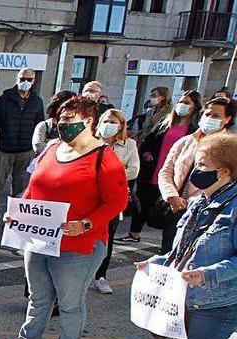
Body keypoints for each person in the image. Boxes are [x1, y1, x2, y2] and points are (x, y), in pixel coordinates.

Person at [0, 96, 128, 339]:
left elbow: (117, 202)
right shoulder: (52, 148)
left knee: (70, 303)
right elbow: (34, 188)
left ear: (88, 121)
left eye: (69, 120)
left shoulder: (105, 158)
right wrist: (19, 212)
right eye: (61, 119)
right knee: (38, 297)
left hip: (79, 244)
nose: (62, 125)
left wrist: (85, 224)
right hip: (41, 238)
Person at [136, 134, 237, 339]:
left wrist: (208, 275)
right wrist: (157, 263)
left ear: (226, 172)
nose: (196, 169)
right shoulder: (200, 202)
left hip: (217, 303)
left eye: (204, 164)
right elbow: (182, 250)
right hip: (183, 298)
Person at [156, 96, 236, 254]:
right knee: (169, 253)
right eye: (207, 114)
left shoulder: (231, 148)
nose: (209, 118)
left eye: (216, 116)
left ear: (227, 119)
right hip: (176, 208)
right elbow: (166, 171)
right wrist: (171, 196)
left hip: (207, 213)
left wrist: (194, 201)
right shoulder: (185, 142)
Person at [126, 90, 201, 245]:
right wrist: (146, 152)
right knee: (142, 203)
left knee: (167, 212)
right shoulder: (166, 123)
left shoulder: (195, 131)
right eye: (181, 102)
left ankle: (168, 245)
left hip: (175, 178)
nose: (182, 106)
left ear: (195, 107)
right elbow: (149, 141)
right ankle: (134, 233)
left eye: (187, 103)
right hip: (153, 171)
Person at [0, 68, 45, 231]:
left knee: (20, 188)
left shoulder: (36, 101)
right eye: (22, 78)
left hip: (25, 150)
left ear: (33, 81)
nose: (25, 82)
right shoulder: (4, 99)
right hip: (4, 149)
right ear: (17, 79)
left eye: (29, 79)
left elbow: (39, 125)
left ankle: (17, 219)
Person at [91, 108, 140, 295]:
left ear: (121, 126)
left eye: (113, 122)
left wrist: (107, 176)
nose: (109, 125)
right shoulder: (92, 143)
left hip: (112, 198)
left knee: (106, 237)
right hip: (90, 196)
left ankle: (100, 276)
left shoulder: (129, 145)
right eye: (106, 121)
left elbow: (133, 170)